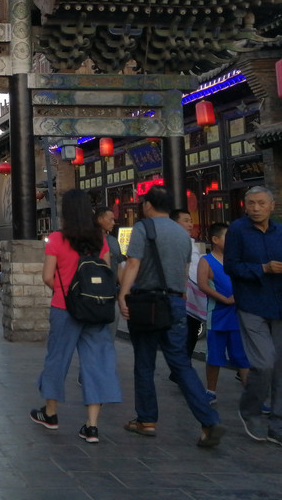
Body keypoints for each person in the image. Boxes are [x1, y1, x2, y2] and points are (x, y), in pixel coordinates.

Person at [117, 185, 224, 448]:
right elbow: (186, 268)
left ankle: (147, 420)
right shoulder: (182, 234)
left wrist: (123, 293)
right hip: (175, 302)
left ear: (148, 205)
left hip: (146, 302)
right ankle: (208, 420)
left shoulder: (143, 228)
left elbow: (133, 263)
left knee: (144, 362)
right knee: (180, 363)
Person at [30, 189, 121, 444]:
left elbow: (47, 276)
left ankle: (50, 414)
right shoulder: (100, 240)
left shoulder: (58, 239)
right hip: (97, 309)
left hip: (64, 307)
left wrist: (65, 293)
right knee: (97, 363)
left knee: (57, 359)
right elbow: (105, 275)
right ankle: (92, 426)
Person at [223, 186, 282, 449]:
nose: (256, 208)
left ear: (272, 206)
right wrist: (262, 269)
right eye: (251, 203)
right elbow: (230, 266)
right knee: (264, 363)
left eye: (261, 203)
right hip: (252, 304)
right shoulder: (237, 230)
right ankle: (251, 410)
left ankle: (280, 426)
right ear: (245, 206)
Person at [196, 222, 249, 403]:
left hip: (237, 314)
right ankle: (211, 390)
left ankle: (252, 395)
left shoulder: (237, 259)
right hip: (217, 314)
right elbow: (202, 284)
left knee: (241, 356)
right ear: (215, 240)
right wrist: (224, 299)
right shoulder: (207, 260)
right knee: (214, 356)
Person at [171, 208, 206, 358]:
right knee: (187, 332)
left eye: (191, 221)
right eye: (186, 221)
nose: (190, 224)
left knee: (191, 331)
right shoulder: (175, 243)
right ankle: (181, 368)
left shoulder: (191, 243)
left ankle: (180, 367)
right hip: (183, 294)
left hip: (193, 293)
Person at [95, 206, 124, 280]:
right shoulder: (91, 241)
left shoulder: (113, 241)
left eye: (113, 220)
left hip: (112, 287)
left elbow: (119, 265)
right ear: (99, 219)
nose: (113, 223)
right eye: (110, 220)